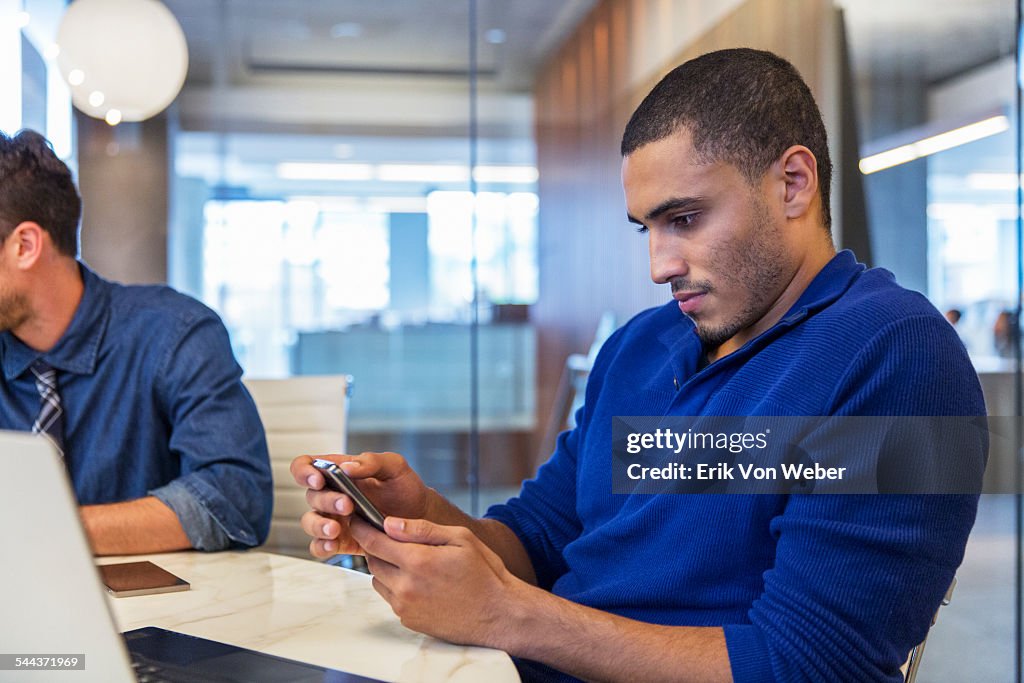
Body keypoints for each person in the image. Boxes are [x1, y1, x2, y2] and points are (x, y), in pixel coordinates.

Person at [292, 49, 985, 682]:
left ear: (794, 184)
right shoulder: (639, 346)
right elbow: (542, 539)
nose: (659, 266)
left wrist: (509, 615)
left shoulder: (899, 356)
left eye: (684, 219)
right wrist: (423, 516)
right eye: (646, 228)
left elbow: (813, 665)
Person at [0, 129, 272, 555]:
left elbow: (234, 497)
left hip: (157, 614)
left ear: (26, 246)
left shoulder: (175, 332)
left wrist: (49, 532)